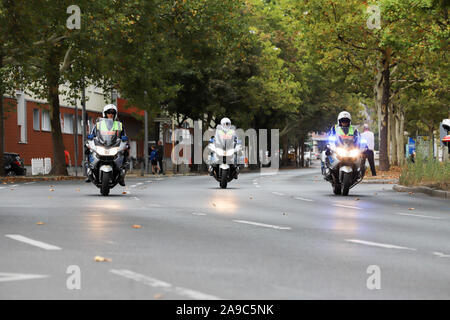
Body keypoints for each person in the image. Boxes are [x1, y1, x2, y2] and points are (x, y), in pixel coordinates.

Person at [84, 104, 129, 185]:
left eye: (112, 113)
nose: (110, 114)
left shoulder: (119, 124)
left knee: (126, 150)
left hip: (114, 144)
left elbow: (124, 135)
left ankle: (122, 175)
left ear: (115, 114)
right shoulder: (99, 124)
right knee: (88, 148)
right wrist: (90, 136)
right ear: (105, 113)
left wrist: (124, 138)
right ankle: (89, 171)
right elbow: (93, 133)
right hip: (102, 144)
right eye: (109, 112)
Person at [322, 111, 361, 177]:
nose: (344, 122)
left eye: (346, 120)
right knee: (326, 152)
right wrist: (329, 143)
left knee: (361, 156)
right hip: (338, 147)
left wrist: (362, 144)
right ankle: (326, 169)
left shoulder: (354, 129)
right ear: (339, 121)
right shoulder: (334, 128)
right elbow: (330, 136)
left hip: (350, 149)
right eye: (343, 120)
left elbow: (358, 138)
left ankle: (359, 171)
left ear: (349, 121)